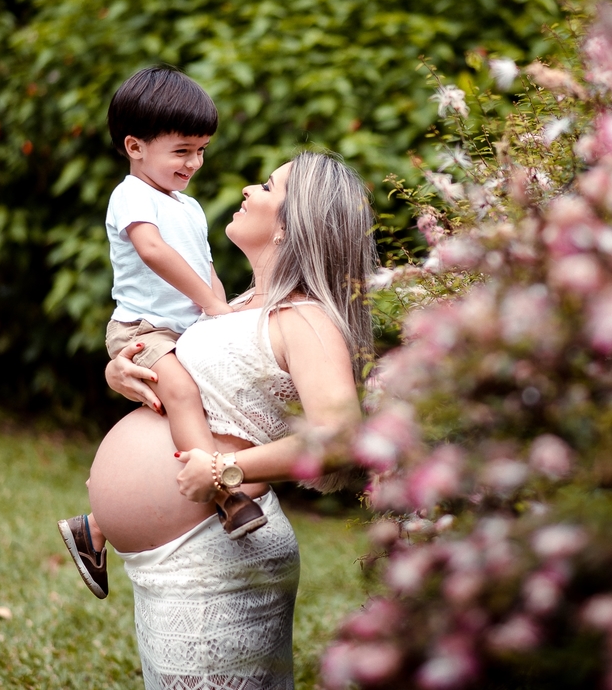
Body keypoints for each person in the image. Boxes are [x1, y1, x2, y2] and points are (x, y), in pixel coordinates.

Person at [87, 151, 375, 688]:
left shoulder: (306, 317)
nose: (248, 188)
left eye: (267, 186)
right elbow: (190, 385)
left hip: (219, 564)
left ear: (293, 227)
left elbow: (339, 440)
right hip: (175, 568)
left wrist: (227, 471)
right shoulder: (237, 303)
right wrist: (120, 372)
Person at [59, 66, 267, 602]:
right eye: (181, 151)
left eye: (200, 150)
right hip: (143, 328)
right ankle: (226, 494)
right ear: (135, 147)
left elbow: (202, 265)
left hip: (186, 324)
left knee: (180, 412)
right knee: (178, 392)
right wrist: (213, 304)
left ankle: (96, 524)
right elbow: (152, 253)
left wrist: (220, 308)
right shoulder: (131, 196)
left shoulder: (190, 205)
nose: (194, 163)